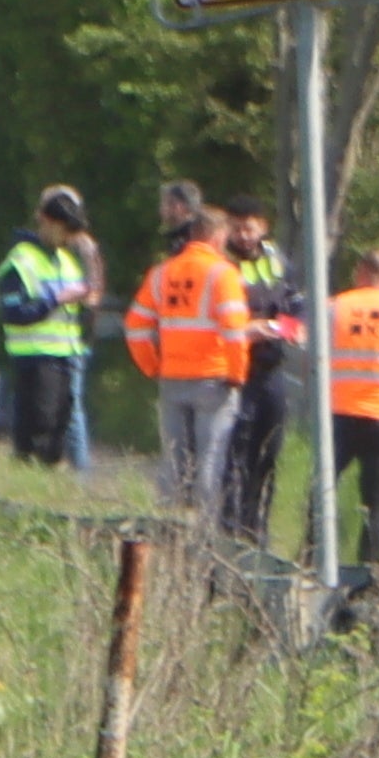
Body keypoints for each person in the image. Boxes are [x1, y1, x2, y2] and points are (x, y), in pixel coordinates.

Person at [132, 195, 247, 521]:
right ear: (217, 236)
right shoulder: (223, 274)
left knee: (173, 459)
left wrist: (151, 364)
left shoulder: (163, 272)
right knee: (211, 458)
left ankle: (167, 529)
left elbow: (136, 325)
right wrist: (237, 373)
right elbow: (234, 330)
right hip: (214, 378)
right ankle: (206, 533)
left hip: (172, 377)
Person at [0, 186, 97, 488]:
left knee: (59, 428)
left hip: (65, 355)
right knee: (38, 429)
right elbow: (14, 313)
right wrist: (57, 299)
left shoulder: (66, 260)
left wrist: (85, 303)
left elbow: (84, 308)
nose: (68, 238)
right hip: (34, 359)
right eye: (65, 230)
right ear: (46, 222)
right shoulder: (21, 261)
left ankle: (48, 485)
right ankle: (27, 484)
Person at [213, 198, 301, 548]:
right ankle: (230, 535)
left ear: (263, 227)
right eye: (237, 227)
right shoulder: (221, 263)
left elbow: (295, 302)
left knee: (268, 452)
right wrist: (249, 329)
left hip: (272, 367)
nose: (244, 235)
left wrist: (294, 327)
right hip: (236, 369)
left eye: (250, 227)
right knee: (236, 456)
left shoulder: (276, 260)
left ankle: (257, 535)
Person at [321, 250, 379, 580]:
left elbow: (311, 353)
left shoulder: (334, 306)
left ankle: (310, 559)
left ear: (360, 272)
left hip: (338, 411)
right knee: (377, 502)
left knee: (322, 489)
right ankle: (369, 573)